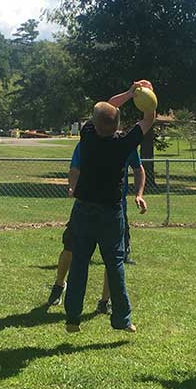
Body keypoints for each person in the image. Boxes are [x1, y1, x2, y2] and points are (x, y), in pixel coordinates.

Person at [64, 81, 156, 333]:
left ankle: (72, 318)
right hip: (110, 213)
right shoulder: (124, 144)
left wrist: (129, 92)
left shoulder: (88, 136)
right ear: (117, 125)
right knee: (114, 265)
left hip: (84, 210)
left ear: (94, 123)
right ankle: (122, 320)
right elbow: (148, 119)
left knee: (79, 263)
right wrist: (149, 95)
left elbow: (109, 106)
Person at [47, 143, 147, 314]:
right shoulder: (87, 142)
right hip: (85, 207)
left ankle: (104, 302)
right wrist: (73, 186)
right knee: (70, 250)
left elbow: (138, 169)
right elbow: (74, 169)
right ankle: (59, 285)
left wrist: (139, 194)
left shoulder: (125, 145)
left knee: (113, 259)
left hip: (115, 210)